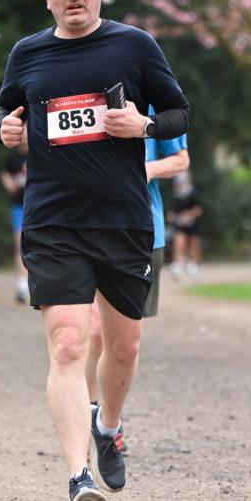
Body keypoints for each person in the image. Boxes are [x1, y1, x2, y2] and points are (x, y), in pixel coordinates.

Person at [0, 0, 190, 501]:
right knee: (69, 344)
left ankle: (109, 424)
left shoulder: (135, 46)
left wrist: (143, 126)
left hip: (123, 221)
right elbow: (4, 108)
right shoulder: (27, 53)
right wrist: (4, 126)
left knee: (124, 347)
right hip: (53, 222)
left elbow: (178, 113)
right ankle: (79, 479)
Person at [85, 120, 189, 414]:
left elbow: (181, 160)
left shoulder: (154, 99)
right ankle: (88, 410)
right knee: (94, 329)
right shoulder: (75, 92)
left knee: (122, 343)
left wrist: (147, 169)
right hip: (83, 226)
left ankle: (108, 418)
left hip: (141, 229)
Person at [0, 144, 29, 302]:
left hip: (42, 207)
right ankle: (22, 287)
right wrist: (7, 181)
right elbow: (4, 172)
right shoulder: (13, 159)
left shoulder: (44, 152)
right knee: (20, 246)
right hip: (20, 207)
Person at [169, 172, 204, 279]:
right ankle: (177, 266)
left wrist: (189, 214)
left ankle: (194, 266)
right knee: (178, 244)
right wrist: (175, 217)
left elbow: (199, 210)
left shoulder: (193, 193)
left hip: (192, 225)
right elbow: (171, 213)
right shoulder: (176, 196)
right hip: (180, 225)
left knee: (194, 246)